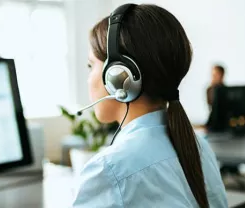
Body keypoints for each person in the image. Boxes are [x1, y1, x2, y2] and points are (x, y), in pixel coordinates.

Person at [72, 4, 227, 208]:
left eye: (91, 66)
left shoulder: (110, 170)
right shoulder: (198, 147)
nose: (88, 78)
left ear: (119, 76)